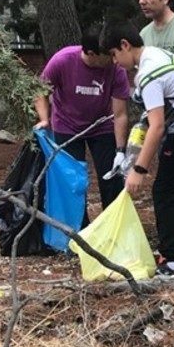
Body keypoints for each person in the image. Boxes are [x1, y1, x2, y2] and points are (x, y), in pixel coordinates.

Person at [101, 21, 174, 276]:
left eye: (114, 55)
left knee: (165, 193)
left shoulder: (148, 74)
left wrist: (138, 169)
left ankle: (171, 260)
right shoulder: (157, 54)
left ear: (125, 45)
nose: (115, 62)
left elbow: (157, 127)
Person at [33, 26, 129, 213]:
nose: (114, 59)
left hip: (102, 127)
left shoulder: (116, 69)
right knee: (72, 180)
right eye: (108, 55)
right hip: (67, 126)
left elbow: (120, 114)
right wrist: (45, 119)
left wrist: (120, 150)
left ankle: (112, 225)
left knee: (111, 179)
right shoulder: (63, 60)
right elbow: (39, 91)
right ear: (92, 54)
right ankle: (78, 230)